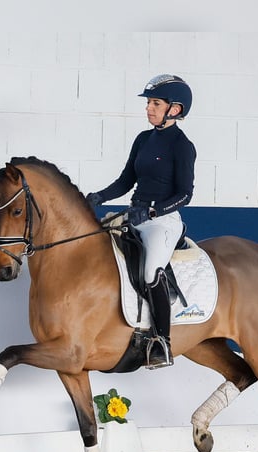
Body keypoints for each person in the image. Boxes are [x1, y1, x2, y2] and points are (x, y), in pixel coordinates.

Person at [86, 74, 196, 369]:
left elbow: (185, 194)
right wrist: (98, 196)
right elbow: (126, 180)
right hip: (133, 214)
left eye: (155, 103)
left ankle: (162, 341)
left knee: (150, 271)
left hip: (163, 220)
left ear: (175, 109)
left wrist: (152, 212)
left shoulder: (182, 146)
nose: (149, 108)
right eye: (148, 103)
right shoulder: (143, 139)